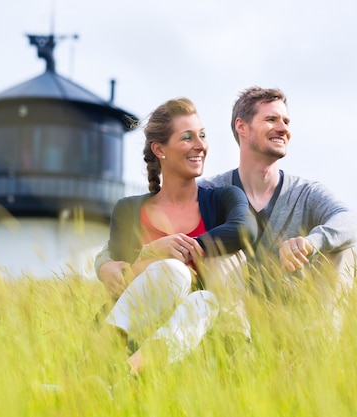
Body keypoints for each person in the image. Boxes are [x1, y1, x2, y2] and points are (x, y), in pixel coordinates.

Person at [97, 97, 257, 375]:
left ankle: (124, 375)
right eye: (187, 137)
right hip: (131, 329)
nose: (200, 145)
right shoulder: (128, 210)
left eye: (202, 135)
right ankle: (101, 359)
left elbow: (246, 229)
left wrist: (187, 248)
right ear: (160, 149)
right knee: (174, 273)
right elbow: (120, 282)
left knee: (203, 300)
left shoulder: (223, 199)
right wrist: (154, 252)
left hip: (195, 330)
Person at [200, 86, 357, 316]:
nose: (283, 128)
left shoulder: (305, 193)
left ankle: (319, 348)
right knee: (217, 248)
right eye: (271, 119)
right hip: (228, 319)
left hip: (294, 321)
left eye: (286, 122)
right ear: (242, 127)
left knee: (343, 249)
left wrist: (313, 242)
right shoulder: (210, 191)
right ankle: (236, 346)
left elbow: (351, 221)